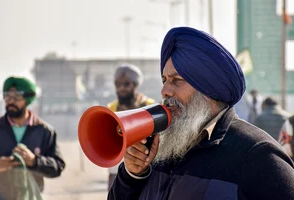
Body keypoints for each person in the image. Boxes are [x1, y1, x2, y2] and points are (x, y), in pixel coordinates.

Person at [108, 27, 294, 200]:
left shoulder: (258, 155)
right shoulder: (158, 149)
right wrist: (133, 175)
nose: (164, 90)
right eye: (164, 79)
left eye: (177, 80)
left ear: (208, 88)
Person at [0, 76, 65, 200]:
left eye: (16, 97)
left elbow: (57, 167)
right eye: (7, 96)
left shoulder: (44, 131)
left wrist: (34, 161)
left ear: (27, 99)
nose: (11, 101)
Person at [107, 64, 155, 190]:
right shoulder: (111, 109)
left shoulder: (150, 106)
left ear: (135, 85)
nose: (121, 88)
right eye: (118, 84)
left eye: (126, 84)